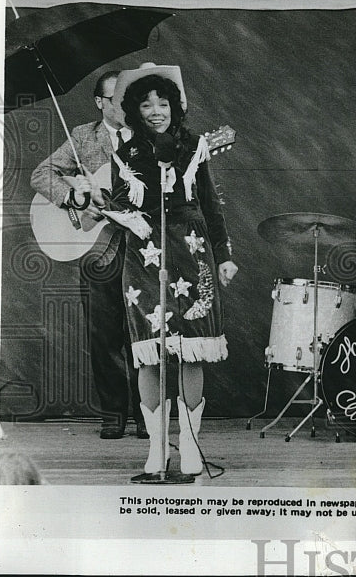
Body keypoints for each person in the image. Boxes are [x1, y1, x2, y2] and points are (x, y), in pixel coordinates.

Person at [108, 64, 238, 475]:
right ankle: (157, 449)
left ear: (174, 107)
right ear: (135, 110)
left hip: (190, 247)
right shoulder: (125, 152)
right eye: (146, 104)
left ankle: (192, 447)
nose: (156, 109)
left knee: (191, 349)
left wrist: (225, 255)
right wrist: (126, 216)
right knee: (149, 354)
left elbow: (212, 205)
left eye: (162, 102)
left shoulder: (195, 146)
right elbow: (114, 203)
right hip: (143, 254)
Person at [30, 70, 145, 440]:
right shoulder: (83, 137)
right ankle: (114, 412)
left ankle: (149, 414)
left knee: (146, 332)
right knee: (104, 334)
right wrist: (75, 197)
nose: (126, 105)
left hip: (145, 250)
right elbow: (41, 174)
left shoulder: (153, 135)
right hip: (98, 251)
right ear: (100, 103)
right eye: (117, 99)